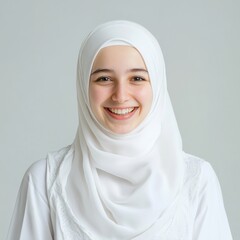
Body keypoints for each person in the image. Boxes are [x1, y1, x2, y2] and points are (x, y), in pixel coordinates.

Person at [7, 20, 232, 240]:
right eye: (104, 78)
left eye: (137, 78)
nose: (120, 95)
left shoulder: (196, 180)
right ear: (84, 85)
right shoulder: (44, 181)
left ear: (158, 84)